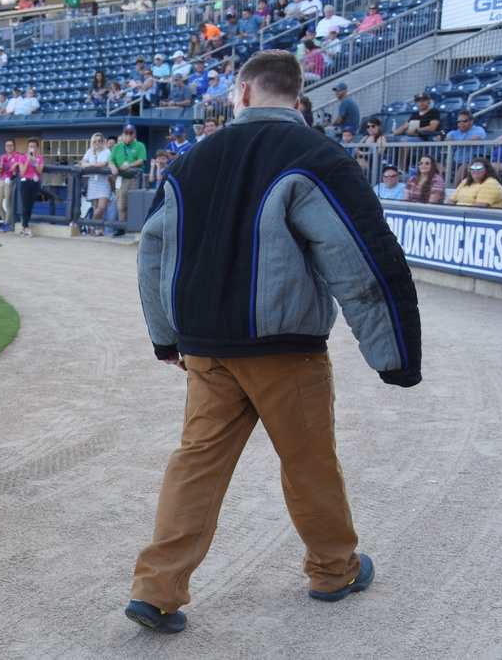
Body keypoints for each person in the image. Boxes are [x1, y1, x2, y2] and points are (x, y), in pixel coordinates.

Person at [126, 48, 422, 634]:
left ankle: (157, 591)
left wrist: (165, 337)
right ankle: (333, 570)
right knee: (309, 462)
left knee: (196, 464)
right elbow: (357, 261)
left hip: (206, 350)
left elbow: (151, 252)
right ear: (299, 97)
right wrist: (395, 357)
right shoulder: (315, 154)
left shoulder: (190, 159)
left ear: (241, 94)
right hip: (285, 348)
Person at [108, 123, 146, 237]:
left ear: (134, 134)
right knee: (121, 204)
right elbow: (111, 161)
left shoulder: (140, 145)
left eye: (131, 133)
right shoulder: (117, 147)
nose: (129, 135)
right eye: (126, 133)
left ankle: (138, 230)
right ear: (123, 134)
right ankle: (122, 228)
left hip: (136, 178)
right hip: (122, 179)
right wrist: (113, 167)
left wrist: (129, 165)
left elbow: (141, 160)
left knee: (137, 204)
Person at [79, 133, 111, 235]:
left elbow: (103, 164)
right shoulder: (90, 151)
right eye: (95, 141)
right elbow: (82, 162)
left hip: (104, 181)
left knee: (102, 206)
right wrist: (87, 164)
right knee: (97, 206)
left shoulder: (106, 151)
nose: (97, 143)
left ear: (102, 142)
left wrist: (89, 165)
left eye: (99, 140)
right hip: (93, 181)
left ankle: (91, 223)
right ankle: (100, 229)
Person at [443, 111, 487, 183]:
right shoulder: (453, 133)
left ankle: (454, 190)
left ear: (471, 121)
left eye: (464, 121)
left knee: (464, 167)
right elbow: (446, 140)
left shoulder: (478, 130)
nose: (461, 123)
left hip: (474, 160)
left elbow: (473, 140)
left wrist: (454, 142)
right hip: (454, 161)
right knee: (436, 165)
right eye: (459, 121)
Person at [15, 136, 44, 237]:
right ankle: (25, 226)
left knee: (31, 204)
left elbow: (40, 171)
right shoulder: (22, 157)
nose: (32, 148)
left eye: (34, 146)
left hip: (35, 181)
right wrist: (28, 160)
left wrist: (35, 161)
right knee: (25, 204)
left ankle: (25, 226)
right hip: (25, 181)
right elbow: (22, 172)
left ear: (37, 147)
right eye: (30, 146)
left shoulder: (39, 158)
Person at [0, 139, 20, 232]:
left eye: (11, 145)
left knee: (8, 203)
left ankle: (6, 224)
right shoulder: (2, 157)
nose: (9, 147)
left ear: (14, 146)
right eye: (7, 145)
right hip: (2, 179)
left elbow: (21, 164)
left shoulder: (17, 156)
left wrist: (16, 163)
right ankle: (7, 221)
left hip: (11, 179)